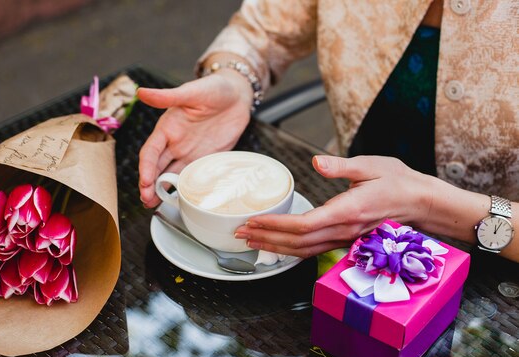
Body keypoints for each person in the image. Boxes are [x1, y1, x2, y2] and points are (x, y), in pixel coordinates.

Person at [137, 0, 519, 262]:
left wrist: (429, 204)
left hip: (495, 289)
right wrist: (234, 78)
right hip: (338, 227)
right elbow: (262, 31)